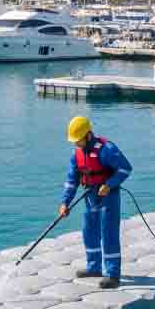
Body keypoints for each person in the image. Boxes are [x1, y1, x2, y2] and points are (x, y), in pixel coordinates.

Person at [59, 116, 132, 289]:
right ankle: (94, 267)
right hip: (90, 195)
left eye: (78, 141)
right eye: (74, 141)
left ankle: (113, 274)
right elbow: (72, 180)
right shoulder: (77, 154)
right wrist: (65, 202)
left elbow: (125, 168)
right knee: (89, 231)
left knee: (108, 233)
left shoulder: (107, 149)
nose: (76, 144)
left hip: (108, 197)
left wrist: (109, 184)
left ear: (88, 135)